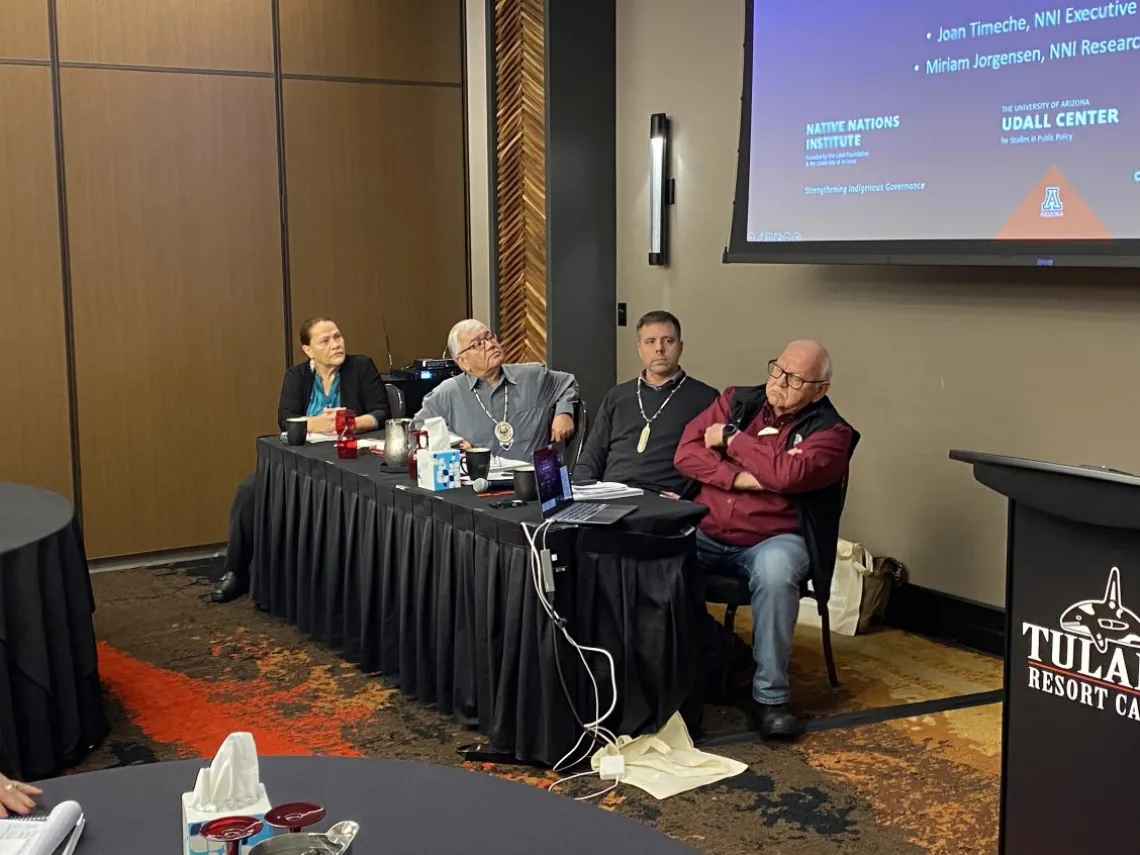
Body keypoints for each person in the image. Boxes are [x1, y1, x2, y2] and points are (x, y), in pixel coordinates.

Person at [674, 340, 858, 739]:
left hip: (774, 538)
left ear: (819, 389)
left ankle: (769, 699)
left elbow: (788, 477)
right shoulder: (736, 400)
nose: (779, 381)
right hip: (706, 527)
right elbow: (686, 452)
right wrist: (739, 476)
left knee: (776, 574)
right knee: (650, 561)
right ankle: (723, 652)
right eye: (777, 369)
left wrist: (732, 441)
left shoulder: (832, 433)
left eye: (794, 378)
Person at [211, 317, 390, 603]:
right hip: (302, 461)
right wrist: (321, 422)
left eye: (338, 336)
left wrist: (348, 423)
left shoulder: (361, 367)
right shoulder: (296, 376)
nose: (336, 344)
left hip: (351, 456)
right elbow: (286, 421)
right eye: (325, 340)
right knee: (248, 492)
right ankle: (235, 572)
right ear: (308, 350)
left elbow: (381, 413)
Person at [574, 310, 717, 496]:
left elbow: (713, 462)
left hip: (664, 498)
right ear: (640, 349)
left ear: (680, 347)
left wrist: (688, 499)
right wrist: (579, 491)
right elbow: (592, 453)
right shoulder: (617, 396)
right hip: (611, 494)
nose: (659, 349)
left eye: (668, 341)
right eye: (650, 342)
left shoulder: (705, 398)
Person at [416, 319, 579, 460]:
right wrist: (452, 442)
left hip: (532, 482)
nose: (490, 344)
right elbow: (419, 428)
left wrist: (564, 412)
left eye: (489, 337)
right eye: (478, 344)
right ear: (463, 361)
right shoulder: (449, 392)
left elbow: (568, 383)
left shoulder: (533, 376)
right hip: (478, 484)